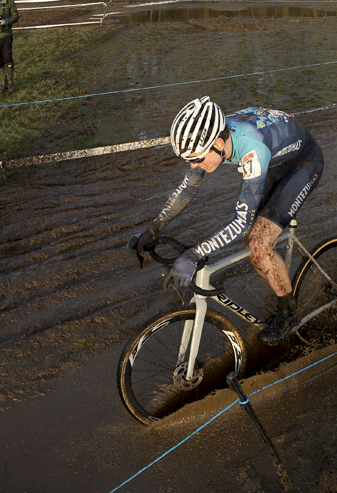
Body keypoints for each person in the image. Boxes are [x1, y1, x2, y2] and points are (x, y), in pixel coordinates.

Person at [130, 99, 324, 345]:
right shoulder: (211, 141)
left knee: (259, 244)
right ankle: (279, 278)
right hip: (275, 158)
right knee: (253, 242)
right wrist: (154, 228)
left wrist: (194, 254)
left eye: (197, 159)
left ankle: (287, 313)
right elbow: (188, 188)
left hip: (303, 163)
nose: (193, 166)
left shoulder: (251, 150)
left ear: (218, 144)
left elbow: (241, 222)